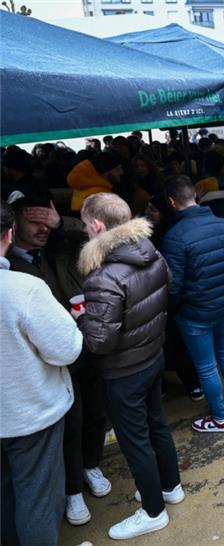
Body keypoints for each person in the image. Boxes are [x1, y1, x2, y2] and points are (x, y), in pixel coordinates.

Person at [75, 193, 183, 539]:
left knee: (135, 442)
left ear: (96, 225)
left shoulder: (102, 275)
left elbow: (99, 341)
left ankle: (153, 511)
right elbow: (168, 287)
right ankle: (170, 487)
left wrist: (81, 321)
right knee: (156, 426)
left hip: (123, 371)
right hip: (152, 355)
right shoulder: (151, 251)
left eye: (83, 223)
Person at [8, 195, 111, 526]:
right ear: (12, 227)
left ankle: (91, 466)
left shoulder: (60, 244)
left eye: (45, 220)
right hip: (47, 359)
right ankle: (72, 490)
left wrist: (60, 222)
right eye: (33, 221)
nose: (42, 228)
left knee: (96, 411)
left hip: (84, 342)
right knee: (71, 422)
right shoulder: (9, 266)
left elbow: (97, 238)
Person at [1, 199, 83, 546]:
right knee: (37, 500)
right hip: (28, 414)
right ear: (9, 233)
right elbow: (66, 349)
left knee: (5, 499)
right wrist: (72, 324)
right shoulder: (22, 288)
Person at [162, 176, 224, 433]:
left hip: (194, 312)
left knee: (205, 364)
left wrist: (175, 308)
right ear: (195, 196)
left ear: (171, 202)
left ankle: (220, 419)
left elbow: (174, 285)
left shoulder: (174, 237)